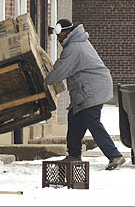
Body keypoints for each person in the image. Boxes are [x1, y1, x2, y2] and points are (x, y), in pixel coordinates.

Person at [44, 19, 125, 170]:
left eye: (60, 33)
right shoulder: (75, 44)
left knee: (91, 121)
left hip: (93, 89)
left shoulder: (74, 48)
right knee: (74, 118)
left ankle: (115, 156)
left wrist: (42, 80)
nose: (58, 37)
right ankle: (74, 154)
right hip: (87, 89)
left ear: (67, 31)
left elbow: (58, 71)